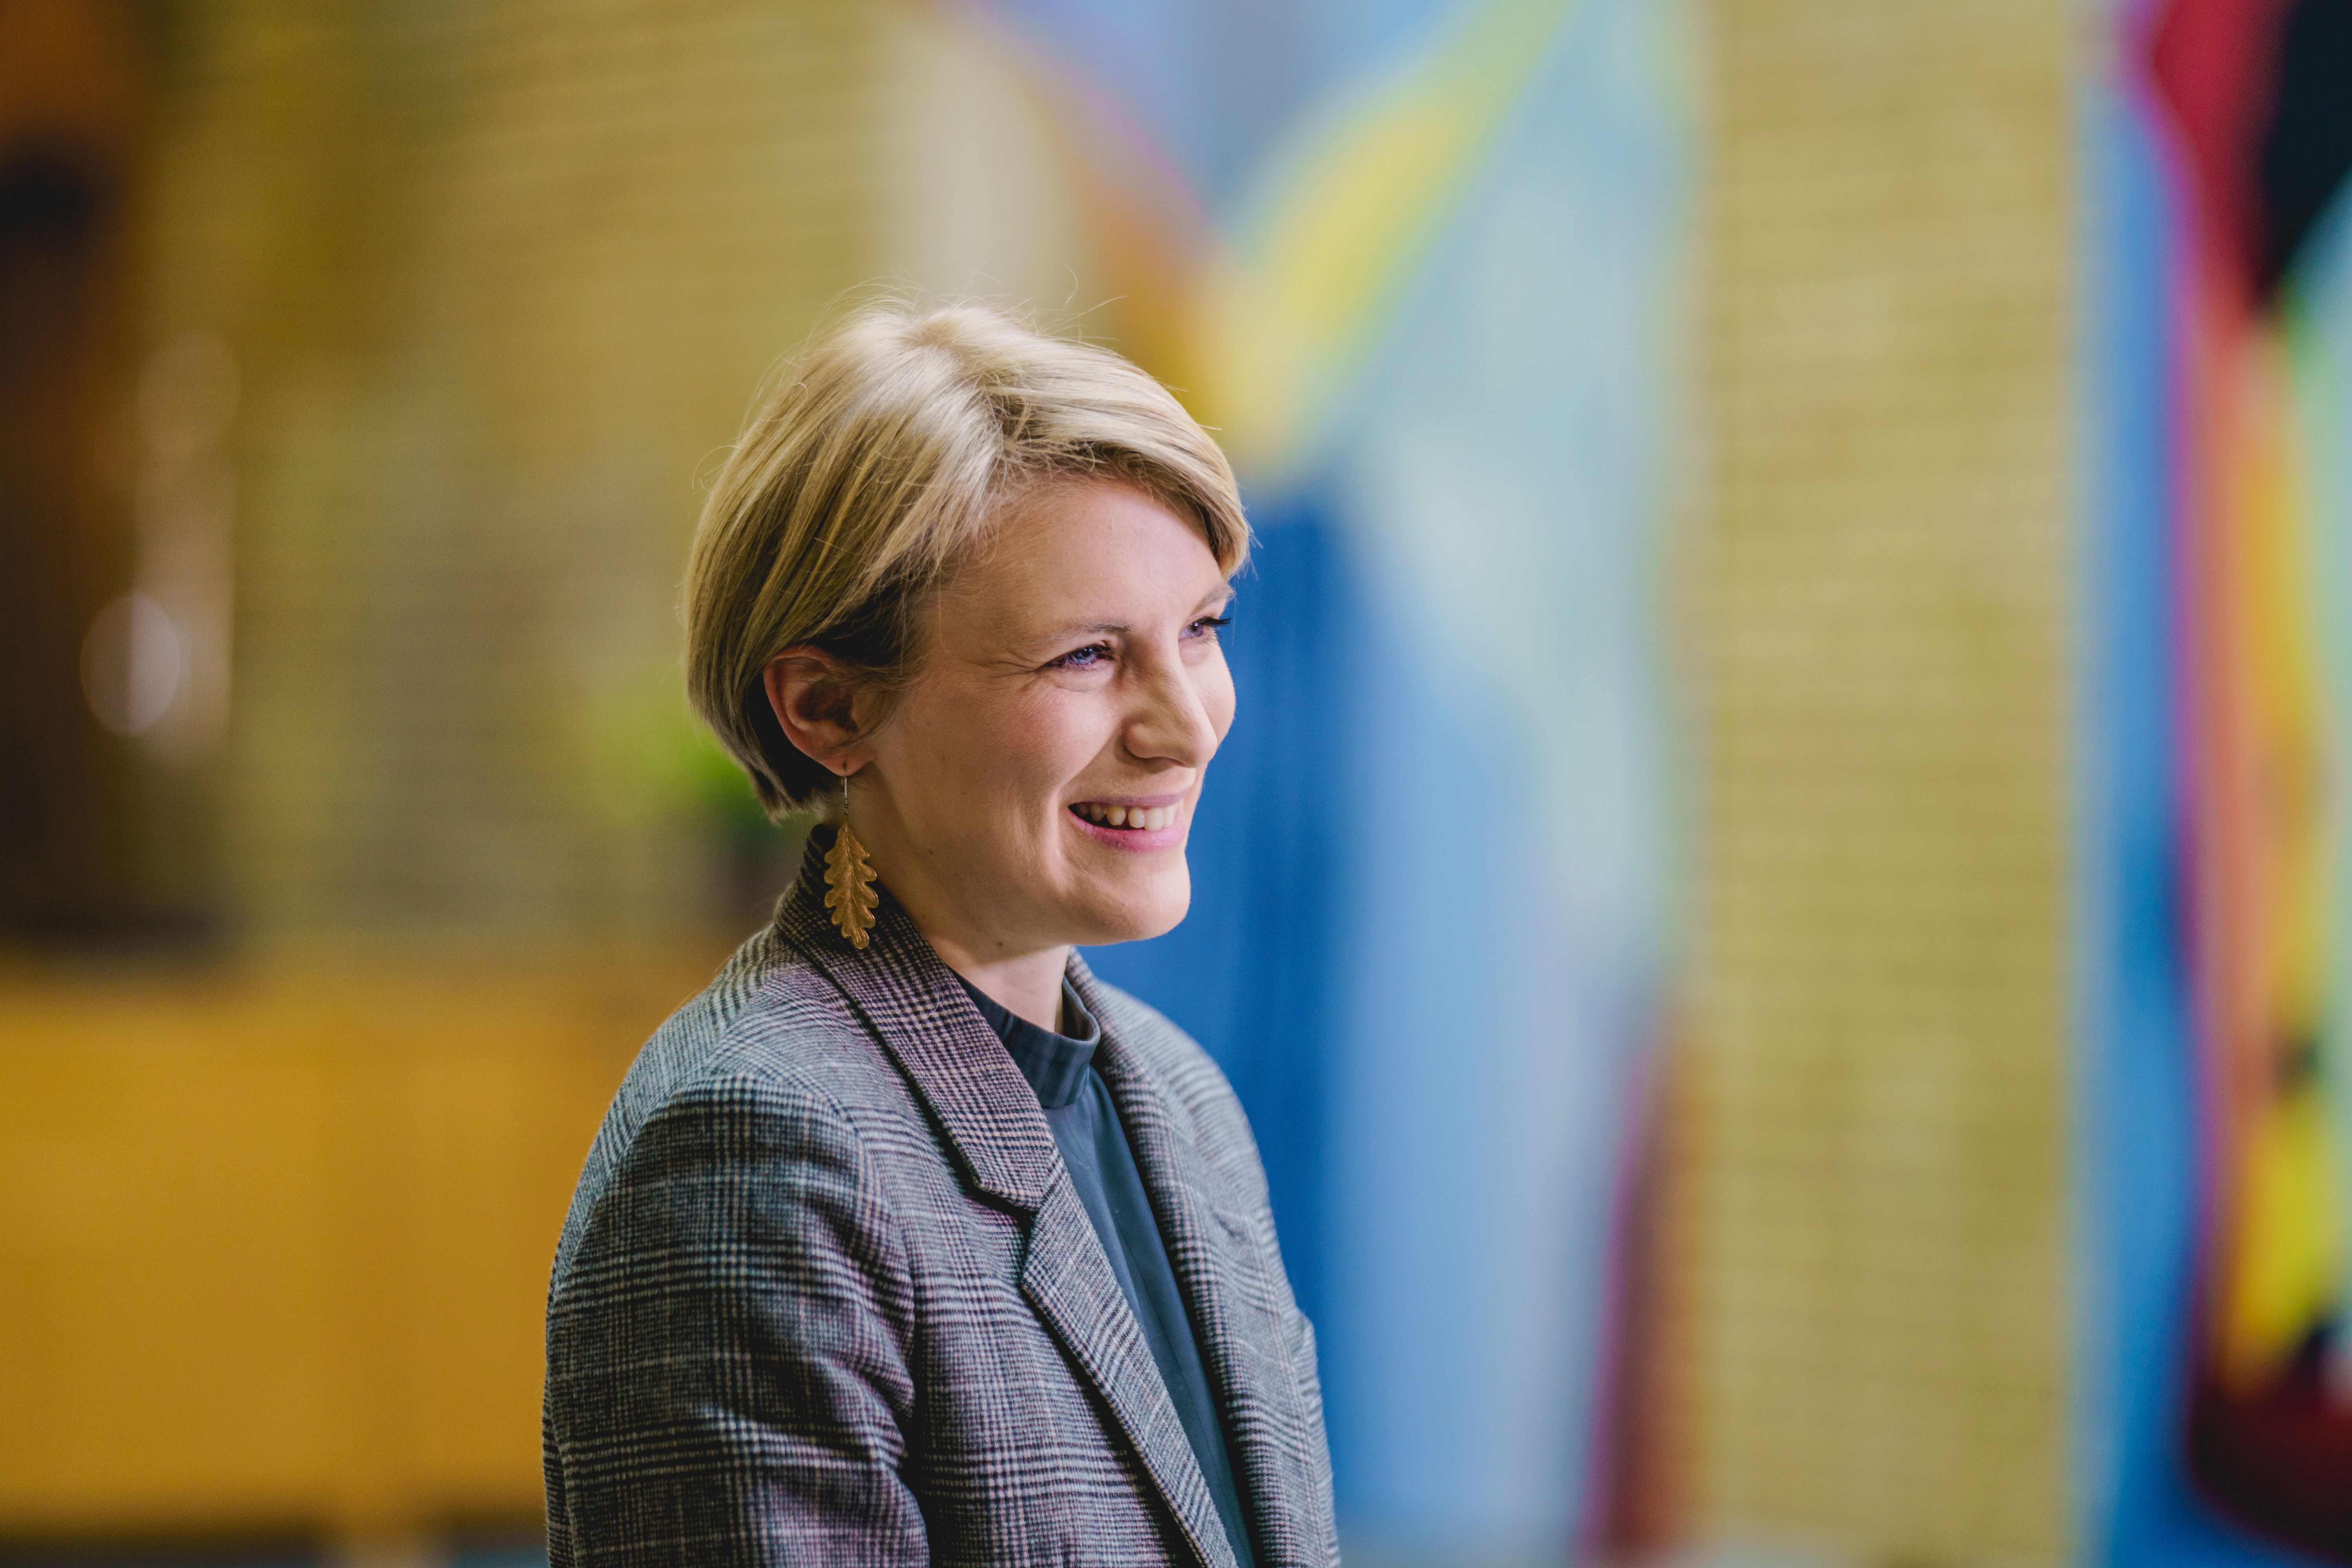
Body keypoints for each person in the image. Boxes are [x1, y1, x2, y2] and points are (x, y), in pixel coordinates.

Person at [541, 303, 1338, 1568]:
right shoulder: (759, 1151)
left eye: (1200, 629)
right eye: (1086, 656)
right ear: (827, 708)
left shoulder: (1184, 1100)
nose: (1187, 726)